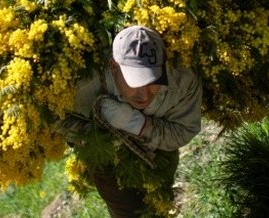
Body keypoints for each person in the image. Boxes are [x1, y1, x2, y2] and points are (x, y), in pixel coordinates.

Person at [60, 25, 202, 217]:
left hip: (158, 151)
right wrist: (97, 134)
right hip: (106, 156)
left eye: (152, 81)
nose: (144, 95)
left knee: (159, 199)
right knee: (126, 210)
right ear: (113, 66)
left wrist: (139, 125)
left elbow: (184, 130)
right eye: (135, 82)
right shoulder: (83, 86)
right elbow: (58, 120)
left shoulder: (183, 81)